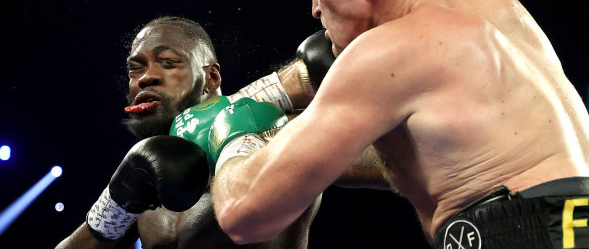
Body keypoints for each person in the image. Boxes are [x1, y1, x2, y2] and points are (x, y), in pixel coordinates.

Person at [208, 0, 589, 248]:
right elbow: (418, 156)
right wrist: (288, 139)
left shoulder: (389, 49)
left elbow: (245, 213)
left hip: (513, 229)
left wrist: (232, 136)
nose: (315, 7)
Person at [55, 16, 382, 248]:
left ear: (212, 78)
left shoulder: (268, 128)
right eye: (135, 68)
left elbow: (390, 165)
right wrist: (115, 203)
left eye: (168, 62)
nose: (145, 78)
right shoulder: (148, 172)